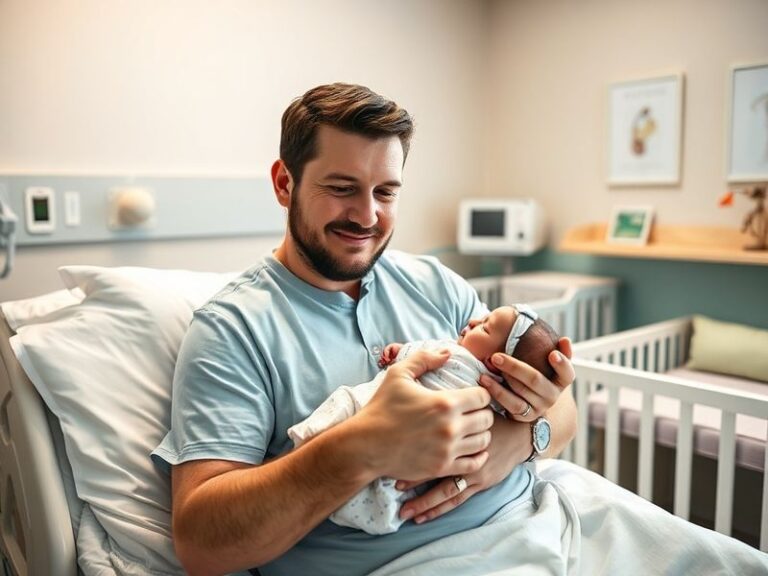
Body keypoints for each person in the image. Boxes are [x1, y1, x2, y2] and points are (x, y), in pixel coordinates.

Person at [152, 82, 576, 576]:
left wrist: (518, 443)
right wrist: (363, 446)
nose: (367, 215)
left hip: (539, 526)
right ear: (284, 184)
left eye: (385, 192)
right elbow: (203, 544)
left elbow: (563, 409)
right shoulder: (234, 330)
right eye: (341, 188)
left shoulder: (436, 284)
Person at [288, 304, 561, 535]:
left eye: (485, 327)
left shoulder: (453, 345)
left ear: (495, 361)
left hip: (520, 517)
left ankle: (312, 435)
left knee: (347, 402)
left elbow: (560, 406)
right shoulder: (496, 393)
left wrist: (525, 436)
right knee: (399, 483)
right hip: (473, 526)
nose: (475, 320)